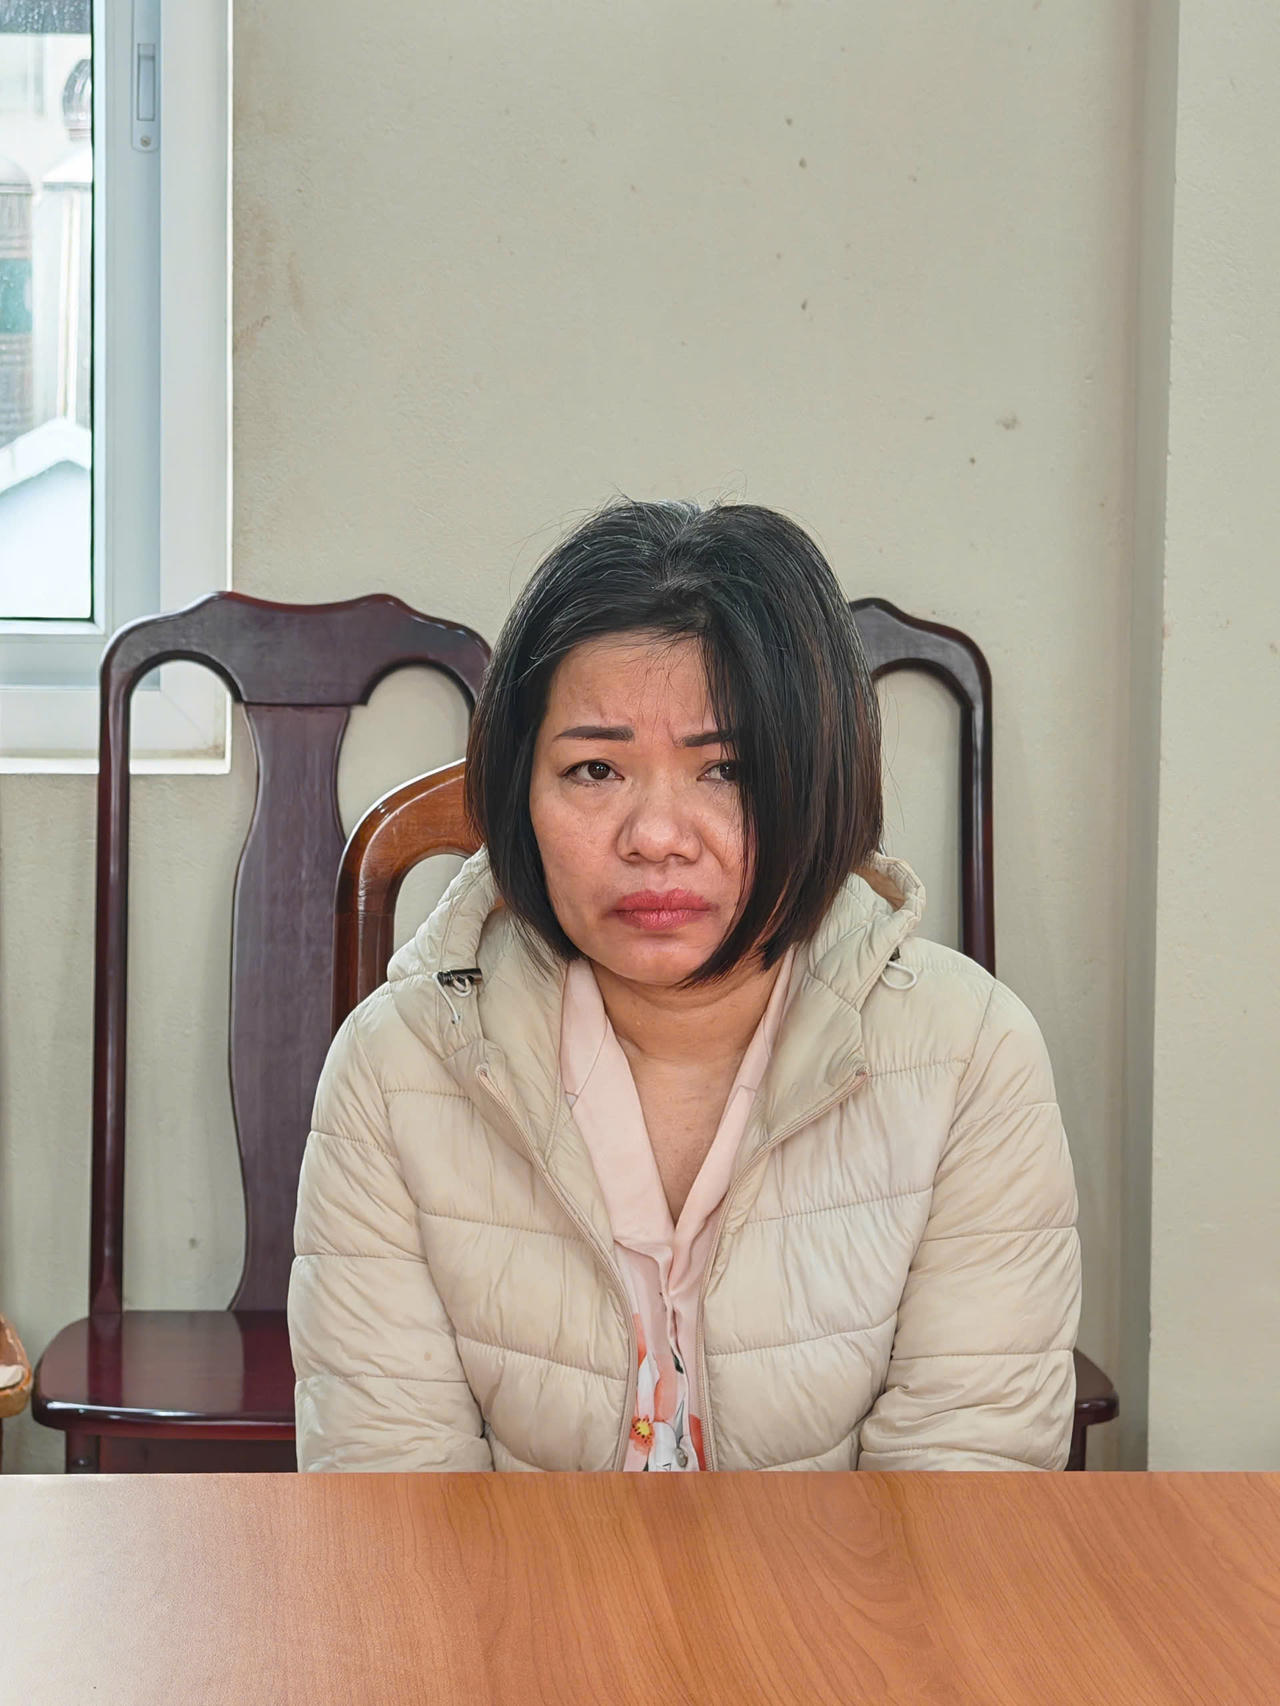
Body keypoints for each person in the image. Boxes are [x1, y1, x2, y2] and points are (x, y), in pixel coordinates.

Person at [288, 499, 1081, 1473]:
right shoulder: (394, 1067)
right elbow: (392, 1497)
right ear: (517, 791)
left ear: (821, 779)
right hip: (503, 1584)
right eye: (594, 769)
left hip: (852, 1583)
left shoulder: (967, 1054)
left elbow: (964, 1489)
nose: (656, 836)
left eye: (728, 769)